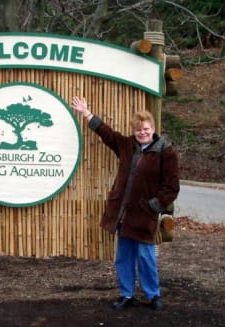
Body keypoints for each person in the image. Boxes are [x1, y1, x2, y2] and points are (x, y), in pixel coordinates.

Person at [70, 96, 180, 310]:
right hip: (123, 213)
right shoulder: (127, 145)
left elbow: (172, 186)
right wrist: (86, 113)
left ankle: (153, 295)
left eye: (146, 129)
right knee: (124, 257)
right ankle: (126, 294)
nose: (142, 133)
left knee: (146, 256)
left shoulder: (166, 152)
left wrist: (154, 206)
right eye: (138, 130)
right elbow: (107, 133)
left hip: (144, 215)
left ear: (153, 129)